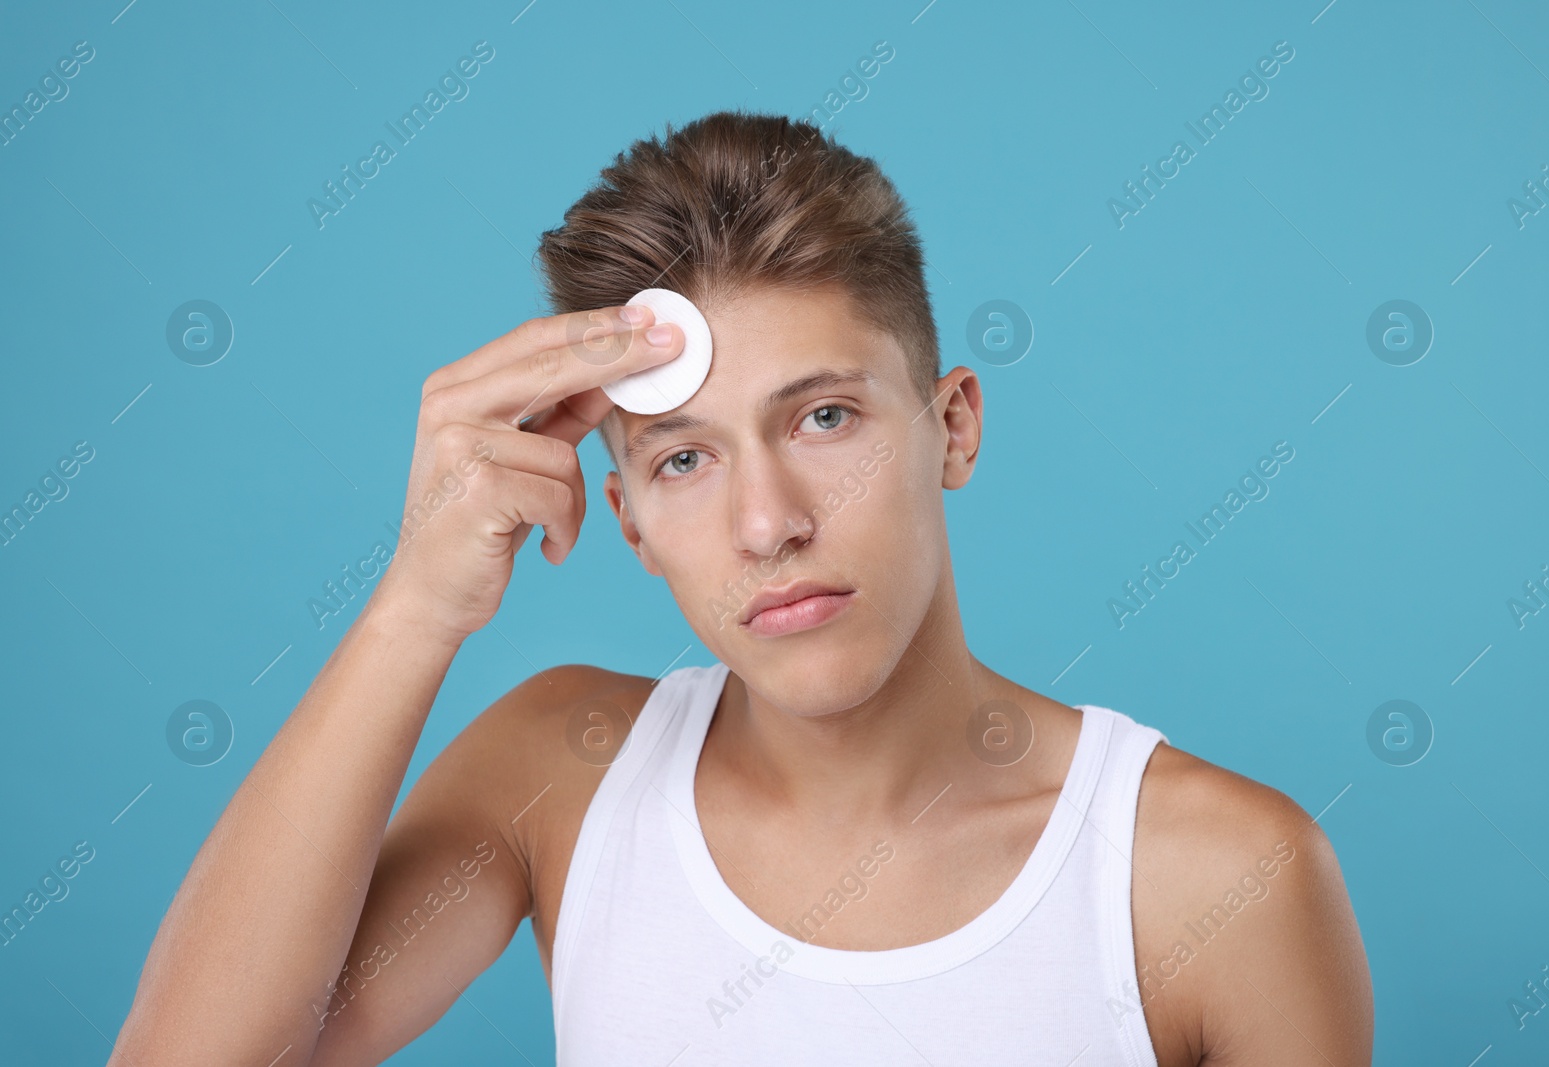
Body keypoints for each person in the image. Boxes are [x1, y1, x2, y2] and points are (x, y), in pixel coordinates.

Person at [114, 110, 1373, 1066]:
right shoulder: (564, 767)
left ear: (953, 426)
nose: (766, 523)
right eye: (683, 458)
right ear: (628, 521)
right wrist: (415, 606)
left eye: (823, 415)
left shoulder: (1217, 875)